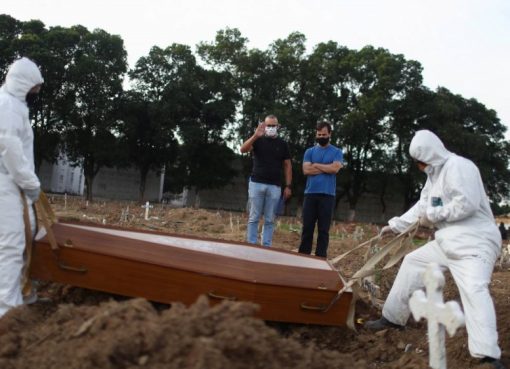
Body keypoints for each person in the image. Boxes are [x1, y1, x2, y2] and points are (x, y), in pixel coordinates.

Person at [365, 130, 504, 369]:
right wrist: (394, 226)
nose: (419, 166)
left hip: (475, 242)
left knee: (473, 288)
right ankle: (392, 318)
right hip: (447, 241)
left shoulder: (460, 166)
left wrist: (434, 215)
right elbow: (422, 208)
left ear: (431, 154)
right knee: (413, 262)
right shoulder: (433, 176)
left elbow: (466, 204)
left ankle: (488, 357)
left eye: (421, 161)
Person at [0, 57, 44, 318]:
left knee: (21, 239)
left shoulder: (12, 104)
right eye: (34, 90)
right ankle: (6, 312)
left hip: (11, 183)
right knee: (12, 244)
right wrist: (31, 184)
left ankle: (19, 293)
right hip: (7, 183)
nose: (35, 95)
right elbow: (11, 151)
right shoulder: (8, 107)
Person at [240, 115, 292, 246]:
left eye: (273, 125)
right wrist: (255, 135)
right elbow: (243, 149)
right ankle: (251, 244)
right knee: (254, 217)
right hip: (256, 183)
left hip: (274, 186)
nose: (271, 128)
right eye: (268, 125)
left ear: (278, 127)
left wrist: (288, 186)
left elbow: (287, 165)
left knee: (270, 218)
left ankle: (266, 246)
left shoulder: (283, 144)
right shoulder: (257, 140)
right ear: (264, 126)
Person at [298, 121, 343, 258]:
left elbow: (335, 169)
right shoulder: (309, 151)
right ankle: (303, 256)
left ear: (330, 134)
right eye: (319, 134)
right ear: (316, 134)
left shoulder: (337, 151)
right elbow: (306, 170)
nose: (321, 136)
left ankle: (320, 258)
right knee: (307, 228)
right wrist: (326, 168)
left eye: (324, 134)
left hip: (327, 195)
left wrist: (316, 165)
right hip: (310, 194)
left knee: (323, 230)